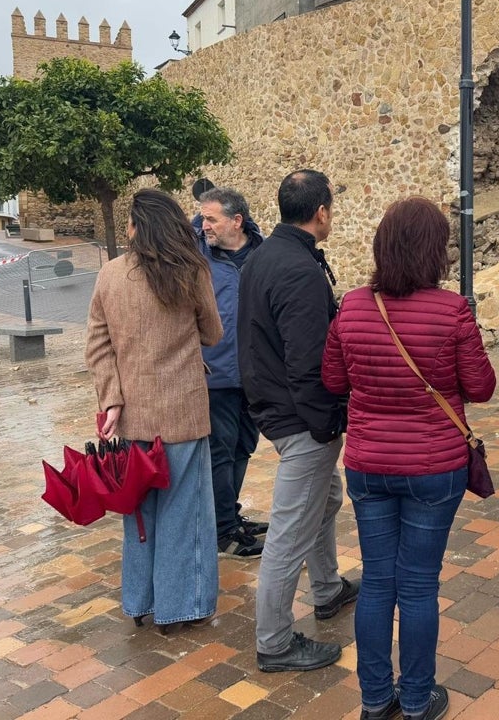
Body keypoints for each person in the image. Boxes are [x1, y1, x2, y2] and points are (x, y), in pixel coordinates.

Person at [322, 197, 497, 720]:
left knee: (378, 581)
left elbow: (333, 381)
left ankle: (376, 700)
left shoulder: (352, 306)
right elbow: (481, 388)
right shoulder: (452, 311)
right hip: (433, 468)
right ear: (435, 252)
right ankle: (418, 701)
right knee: (418, 583)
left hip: (369, 464)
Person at [85, 188, 224, 633]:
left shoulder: (109, 275)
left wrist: (111, 399)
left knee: (139, 515)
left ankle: (140, 602)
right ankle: (179, 607)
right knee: (185, 513)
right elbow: (214, 334)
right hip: (183, 410)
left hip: (132, 417)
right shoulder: (191, 270)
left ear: (133, 227)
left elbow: (98, 345)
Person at [238, 169, 358, 672]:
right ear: (322, 212)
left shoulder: (262, 257)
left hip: (273, 406)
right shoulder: (299, 271)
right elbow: (309, 363)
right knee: (288, 532)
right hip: (300, 417)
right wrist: (326, 422)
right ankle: (276, 643)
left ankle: (327, 588)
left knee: (325, 497)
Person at [193, 187, 267, 559]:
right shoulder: (196, 257)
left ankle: (230, 516)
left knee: (242, 448)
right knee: (219, 451)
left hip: (254, 375)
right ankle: (222, 531)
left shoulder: (262, 253)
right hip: (215, 374)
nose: (205, 225)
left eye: (212, 218)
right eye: (202, 217)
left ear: (236, 221)